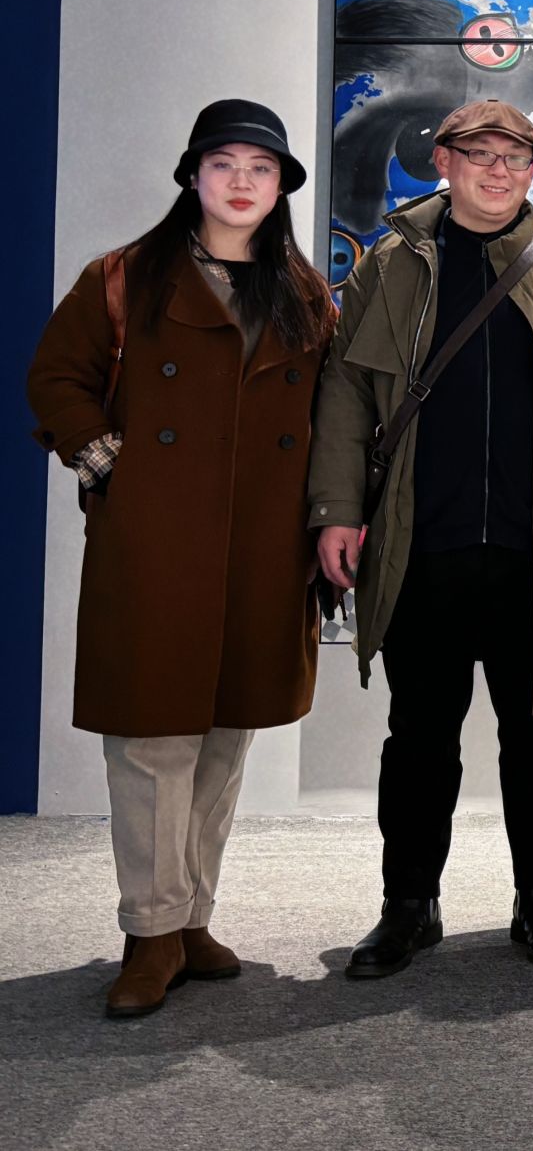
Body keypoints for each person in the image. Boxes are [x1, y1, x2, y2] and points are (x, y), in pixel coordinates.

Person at [309, 100, 533, 978]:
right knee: (419, 735)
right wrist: (337, 509)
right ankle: (407, 904)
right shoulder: (391, 265)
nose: (498, 171)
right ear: (444, 162)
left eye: (515, 158)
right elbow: (345, 394)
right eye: (480, 155)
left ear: (532, 170)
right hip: (424, 544)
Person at [28, 100, 334, 1018]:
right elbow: (57, 377)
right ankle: (150, 930)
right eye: (224, 164)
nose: (242, 182)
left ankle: (192, 914)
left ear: (279, 188)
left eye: (261, 168)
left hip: (262, 542)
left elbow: (330, 416)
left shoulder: (305, 293)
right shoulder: (124, 277)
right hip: (157, 539)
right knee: (153, 739)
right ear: (192, 176)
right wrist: (108, 463)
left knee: (225, 737)